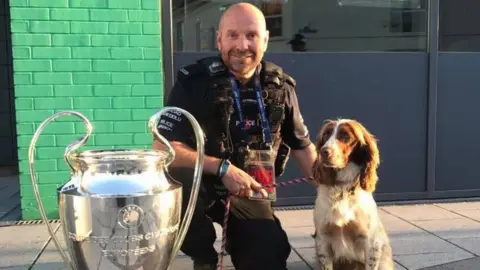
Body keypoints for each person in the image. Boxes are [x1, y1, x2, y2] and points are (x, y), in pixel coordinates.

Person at [153, 2, 317, 270]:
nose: (242, 45)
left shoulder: (281, 87)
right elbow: (163, 147)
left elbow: (302, 146)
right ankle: (203, 255)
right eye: (233, 35)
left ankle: (239, 239)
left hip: (249, 191)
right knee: (174, 175)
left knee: (268, 258)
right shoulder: (193, 84)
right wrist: (222, 168)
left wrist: (336, 191)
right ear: (219, 39)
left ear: (265, 40)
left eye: (251, 35)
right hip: (202, 187)